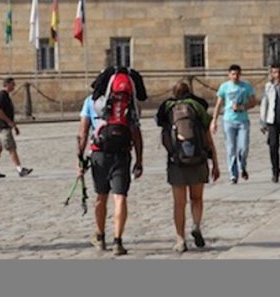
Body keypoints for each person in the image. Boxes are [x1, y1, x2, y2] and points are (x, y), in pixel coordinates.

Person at [76, 68, 144, 256]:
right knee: (120, 196)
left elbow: (82, 133)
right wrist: (139, 160)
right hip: (122, 153)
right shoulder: (128, 102)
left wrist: (80, 159)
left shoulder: (90, 101)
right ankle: (118, 241)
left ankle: (100, 236)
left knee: (101, 196)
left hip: (99, 153)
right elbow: (136, 132)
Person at [157, 80, 220, 252]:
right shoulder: (197, 107)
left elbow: (163, 131)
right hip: (198, 158)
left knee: (179, 203)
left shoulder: (168, 108)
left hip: (176, 160)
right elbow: (207, 136)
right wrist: (214, 162)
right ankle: (196, 225)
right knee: (196, 198)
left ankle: (180, 239)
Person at [210, 64, 256, 183]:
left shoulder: (246, 87)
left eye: (237, 74)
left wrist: (242, 107)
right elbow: (219, 104)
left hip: (242, 121)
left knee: (243, 148)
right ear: (229, 75)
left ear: (240, 74)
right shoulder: (224, 87)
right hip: (228, 121)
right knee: (231, 149)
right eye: (233, 74)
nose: (235, 76)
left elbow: (253, 102)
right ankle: (233, 174)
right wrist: (214, 120)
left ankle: (243, 166)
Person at [0, 77, 32, 179]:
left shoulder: (4, 95)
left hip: (0, 126)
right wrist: (9, 122)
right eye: (12, 84)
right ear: (7, 84)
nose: (14, 86)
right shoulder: (2, 95)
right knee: (11, 148)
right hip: (3, 127)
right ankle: (19, 169)